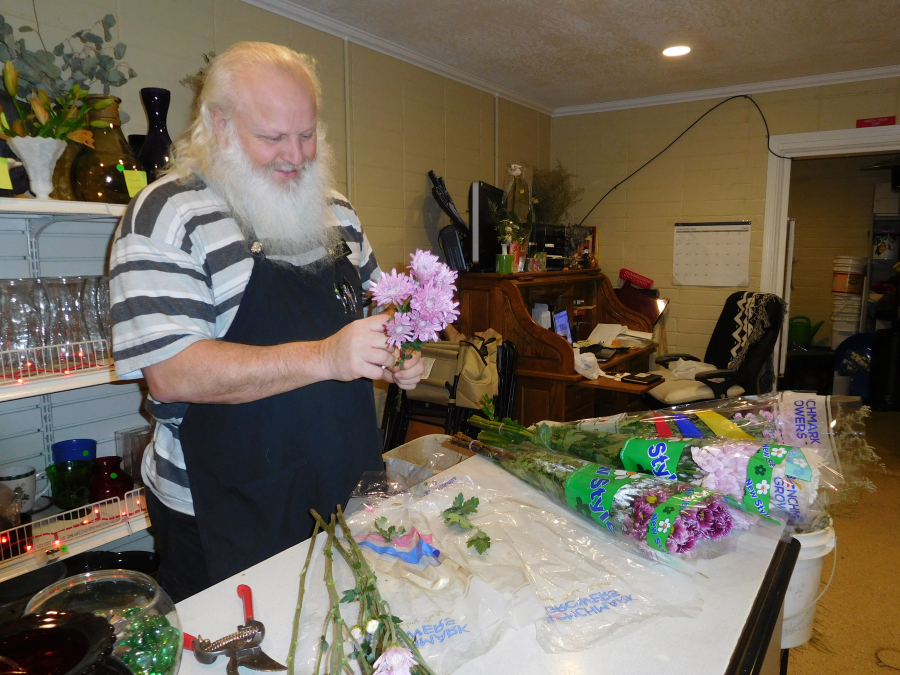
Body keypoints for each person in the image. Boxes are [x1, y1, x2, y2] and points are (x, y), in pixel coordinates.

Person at [109, 42, 424, 602]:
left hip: (346, 487)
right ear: (219, 126)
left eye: (306, 135)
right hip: (225, 509)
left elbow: (379, 315)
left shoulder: (338, 213)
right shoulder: (168, 214)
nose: (296, 156)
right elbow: (173, 373)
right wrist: (326, 356)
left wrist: (396, 353)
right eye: (273, 138)